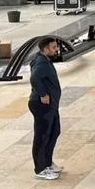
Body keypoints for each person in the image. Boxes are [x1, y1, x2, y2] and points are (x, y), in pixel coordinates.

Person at [28, 36, 63, 180]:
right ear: (45, 49)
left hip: (51, 105)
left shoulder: (43, 59)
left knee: (54, 131)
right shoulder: (41, 63)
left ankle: (47, 162)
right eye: (53, 48)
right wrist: (42, 94)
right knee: (42, 136)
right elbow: (34, 78)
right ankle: (40, 169)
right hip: (42, 106)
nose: (56, 50)